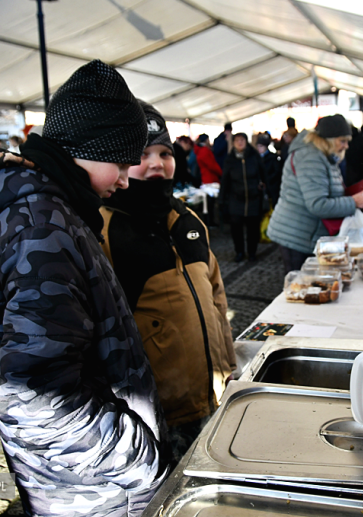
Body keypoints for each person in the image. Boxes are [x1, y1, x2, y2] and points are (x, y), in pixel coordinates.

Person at [0, 60, 171, 517]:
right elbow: (37, 402)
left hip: (81, 481)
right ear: (84, 148)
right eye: (120, 162)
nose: (124, 178)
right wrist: (138, 457)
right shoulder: (41, 227)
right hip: (94, 491)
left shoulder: (52, 210)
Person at [100, 102, 235, 460]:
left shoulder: (188, 220)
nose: (157, 163)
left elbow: (217, 298)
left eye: (164, 152)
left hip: (213, 392)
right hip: (161, 408)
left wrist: (228, 367)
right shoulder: (105, 229)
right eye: (142, 154)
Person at [267, 114, 363, 272]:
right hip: (297, 235)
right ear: (328, 139)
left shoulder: (323, 155)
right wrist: (354, 201)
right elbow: (318, 204)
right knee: (300, 285)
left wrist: (352, 195)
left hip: (307, 232)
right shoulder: (311, 157)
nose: (346, 146)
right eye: (342, 141)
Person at [220, 132, 266, 262]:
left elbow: (263, 173)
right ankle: (239, 252)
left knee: (253, 229)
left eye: (242, 140)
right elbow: (225, 180)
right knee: (236, 229)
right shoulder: (230, 160)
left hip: (253, 198)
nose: (240, 142)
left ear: (246, 142)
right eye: (237, 140)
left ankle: (252, 252)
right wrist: (222, 200)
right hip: (236, 199)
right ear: (233, 143)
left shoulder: (254, 156)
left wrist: (263, 185)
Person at [256, 133, 280, 208]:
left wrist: (267, 180)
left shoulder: (273, 158)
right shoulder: (256, 158)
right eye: (258, 146)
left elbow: (277, 172)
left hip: (271, 187)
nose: (259, 149)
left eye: (261, 146)